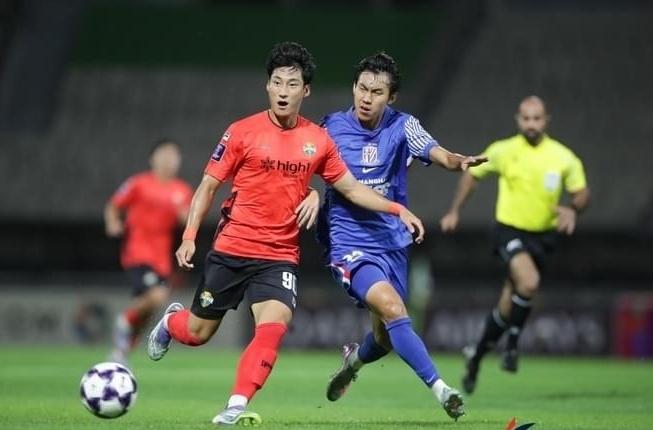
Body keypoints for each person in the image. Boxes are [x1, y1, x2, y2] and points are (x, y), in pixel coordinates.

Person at [146, 42, 426, 426]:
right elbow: (208, 186)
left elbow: (350, 188)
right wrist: (190, 235)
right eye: (276, 82)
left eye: (292, 84)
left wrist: (397, 208)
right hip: (233, 247)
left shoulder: (318, 140)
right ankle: (170, 323)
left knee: (273, 327)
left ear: (305, 91)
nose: (282, 91)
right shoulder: (241, 132)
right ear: (267, 86)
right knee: (197, 332)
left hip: (279, 254)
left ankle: (235, 405)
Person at [318, 52, 486, 421]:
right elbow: (304, 165)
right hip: (350, 243)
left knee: (385, 339)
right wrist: (309, 195)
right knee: (395, 309)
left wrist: (457, 162)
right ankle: (442, 391)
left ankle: (353, 362)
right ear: (354, 87)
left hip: (392, 244)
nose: (366, 97)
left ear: (391, 97)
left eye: (377, 92)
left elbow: (436, 151)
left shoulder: (403, 126)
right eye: (362, 88)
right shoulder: (330, 127)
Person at [440, 96, 590, 394]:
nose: (531, 124)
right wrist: (455, 210)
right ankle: (511, 346)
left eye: (537, 118)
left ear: (546, 120)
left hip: (543, 238)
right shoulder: (503, 150)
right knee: (529, 282)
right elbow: (472, 175)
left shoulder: (563, 157)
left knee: (509, 304)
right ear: (518, 120)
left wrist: (573, 209)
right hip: (508, 230)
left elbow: (582, 192)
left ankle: (476, 355)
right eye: (526, 118)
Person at [104, 140, 192, 365]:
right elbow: (114, 205)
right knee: (157, 296)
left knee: (148, 309)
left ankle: (122, 350)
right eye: (164, 155)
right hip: (138, 252)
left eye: (173, 156)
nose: (169, 160)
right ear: (153, 159)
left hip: (162, 258)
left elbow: (187, 218)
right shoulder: (138, 184)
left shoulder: (182, 190)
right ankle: (124, 320)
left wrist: (190, 219)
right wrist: (113, 222)